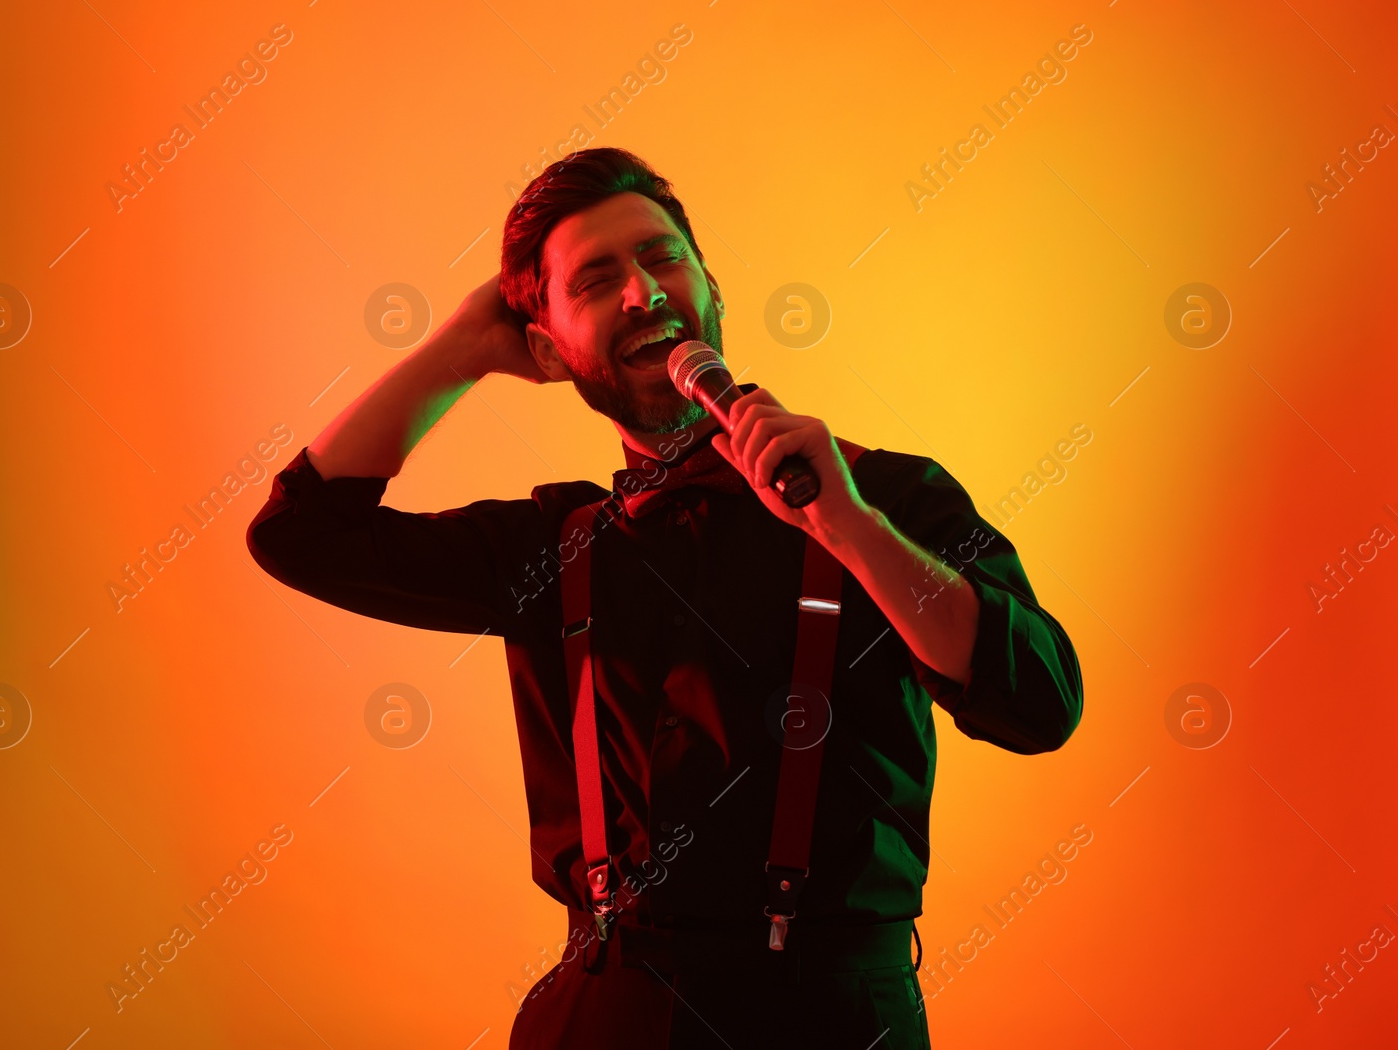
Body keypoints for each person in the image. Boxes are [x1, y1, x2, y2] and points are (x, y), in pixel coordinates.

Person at [246, 147, 1084, 1048]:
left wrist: (848, 526)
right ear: (548, 350)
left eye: (663, 259)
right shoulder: (550, 547)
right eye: (597, 281)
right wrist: (461, 347)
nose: (644, 293)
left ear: (712, 291)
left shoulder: (888, 498)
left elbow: (1039, 703)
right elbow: (300, 534)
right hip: (607, 1012)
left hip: (833, 1015)